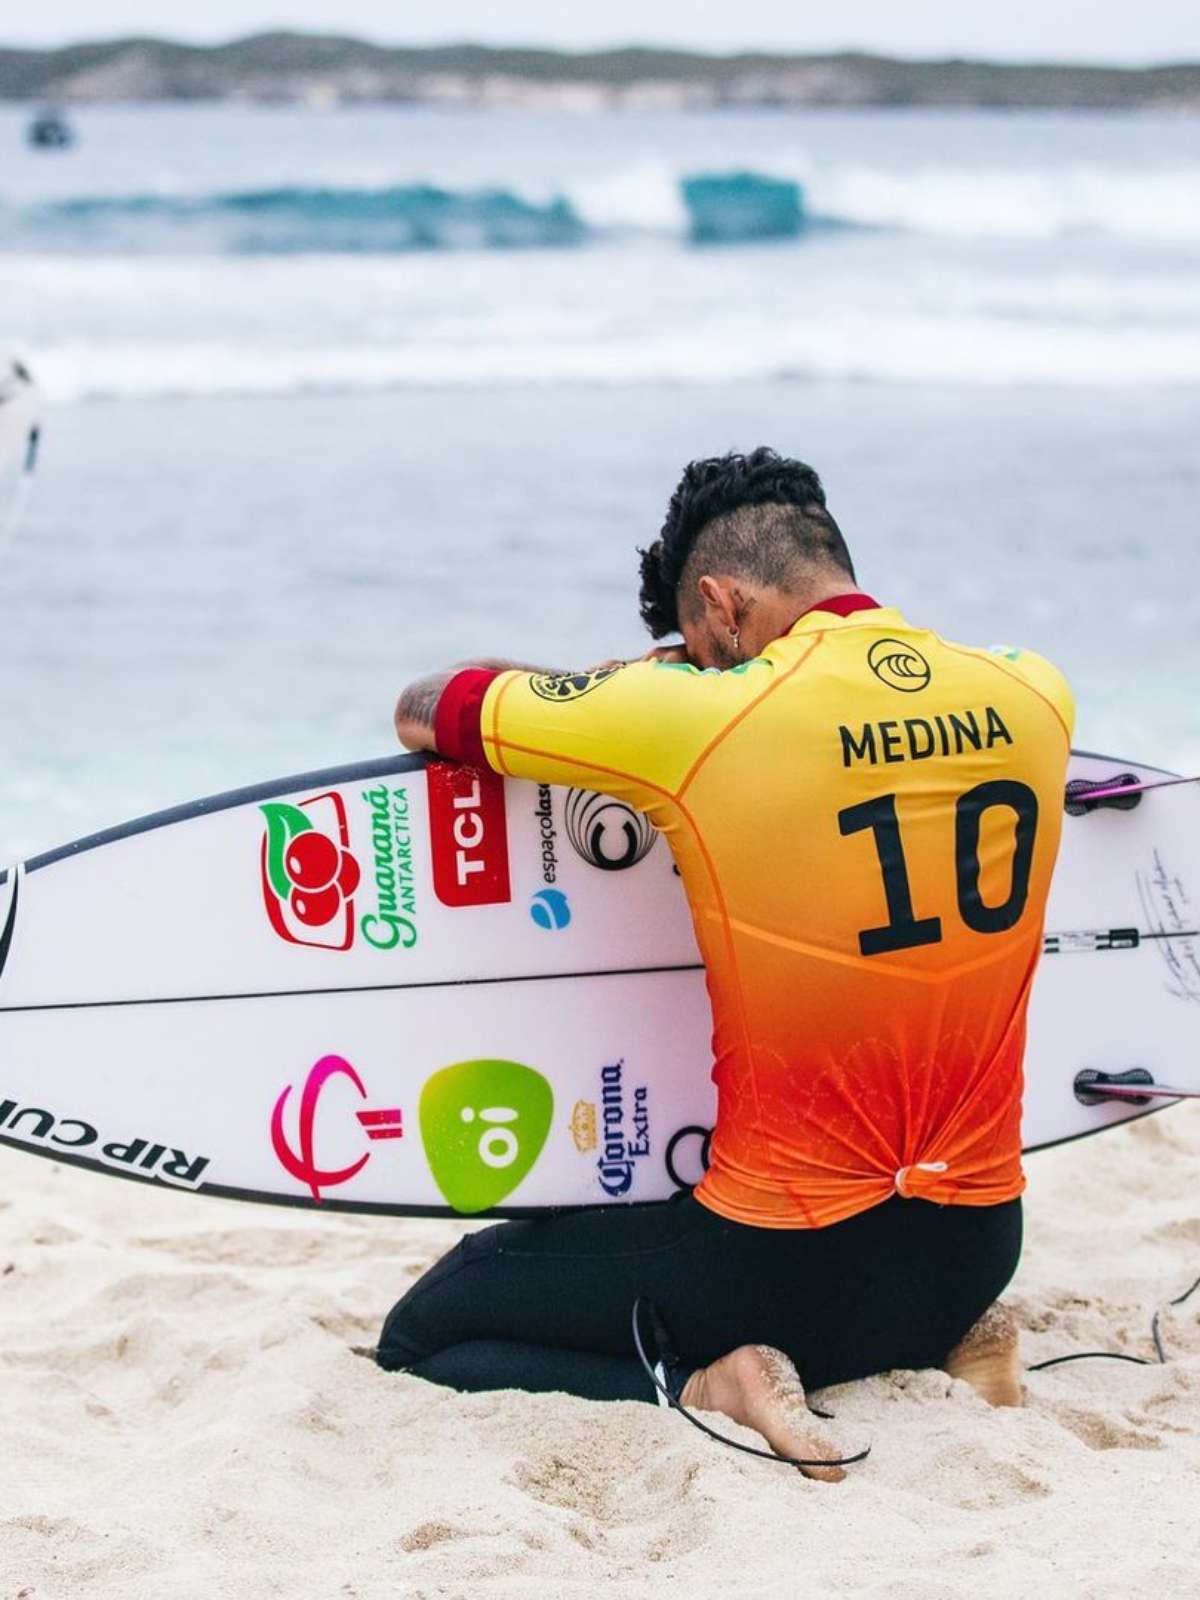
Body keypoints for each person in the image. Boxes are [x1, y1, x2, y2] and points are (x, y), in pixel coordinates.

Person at [377, 447, 1074, 1479]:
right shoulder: (1034, 694)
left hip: (781, 1266)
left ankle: (717, 1383)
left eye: (701, 641)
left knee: (425, 1335)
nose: (704, 662)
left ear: (721, 601)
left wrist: (637, 677)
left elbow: (424, 707)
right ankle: (960, 1340)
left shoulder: (703, 714)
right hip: (976, 1243)